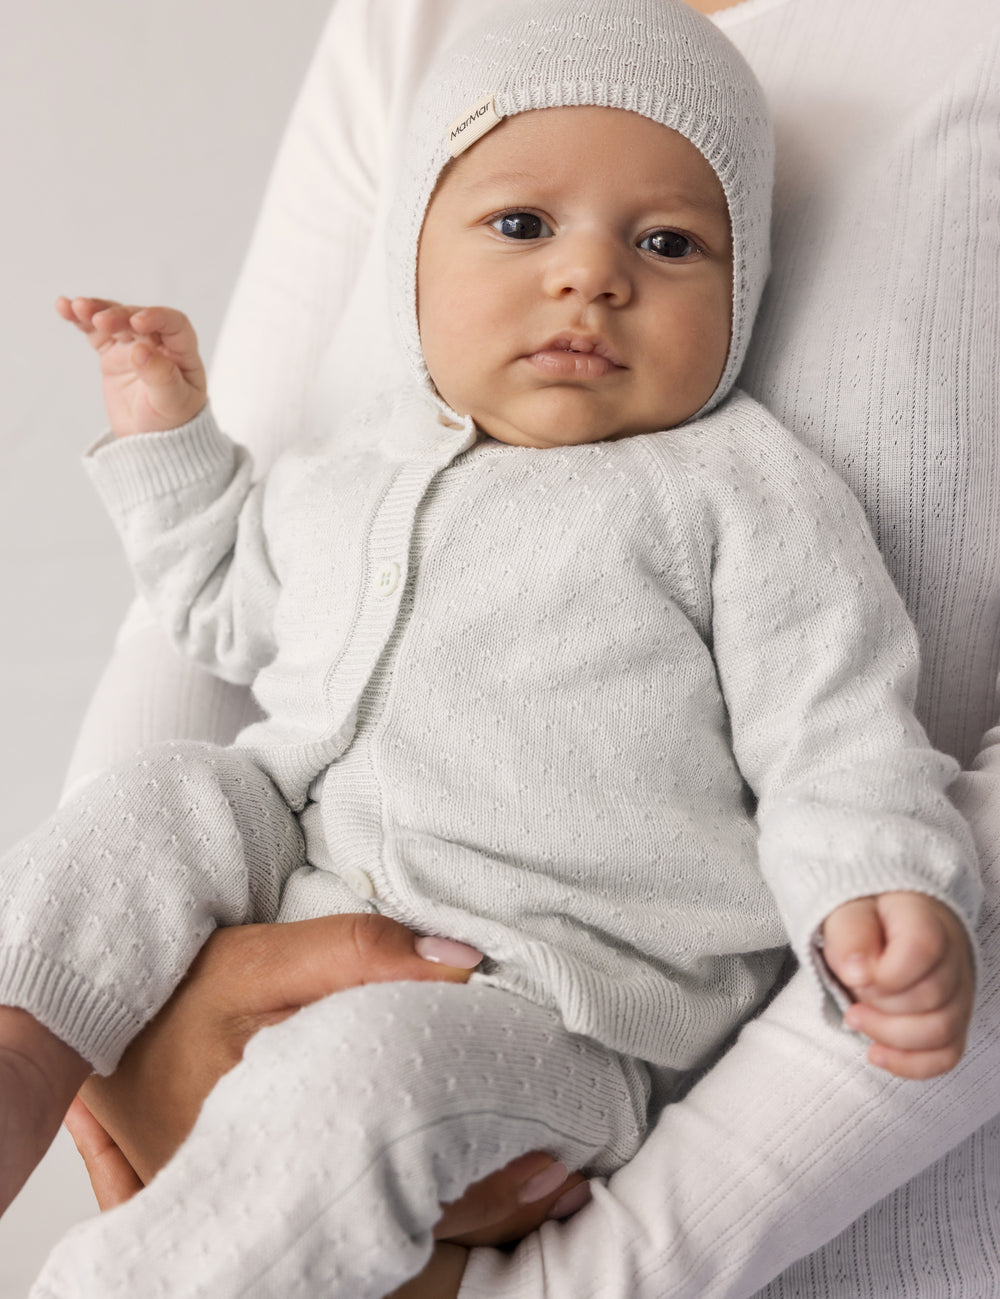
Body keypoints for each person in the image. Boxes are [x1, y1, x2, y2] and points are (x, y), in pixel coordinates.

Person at [0, 1, 984, 1294]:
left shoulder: (741, 493)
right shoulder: (357, 466)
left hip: (547, 995)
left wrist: (884, 895)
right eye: (524, 225)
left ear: (740, 299)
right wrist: (171, 436)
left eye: (669, 243)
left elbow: (836, 733)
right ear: (415, 258)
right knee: (157, 798)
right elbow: (221, 611)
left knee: (358, 1089)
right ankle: (23, 1049)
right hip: (294, 865)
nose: (592, 275)